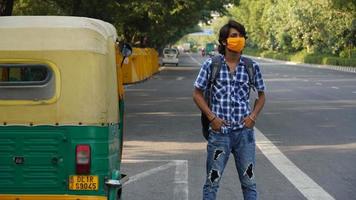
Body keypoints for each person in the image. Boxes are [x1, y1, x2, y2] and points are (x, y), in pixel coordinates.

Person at [192, 19, 266, 200]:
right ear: (224, 41)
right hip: (220, 135)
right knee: (212, 182)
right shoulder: (212, 65)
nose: (239, 39)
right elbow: (197, 93)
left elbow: (262, 96)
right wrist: (212, 118)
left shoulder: (251, 66)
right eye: (234, 36)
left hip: (244, 135)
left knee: (249, 183)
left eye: (241, 36)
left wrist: (253, 117)